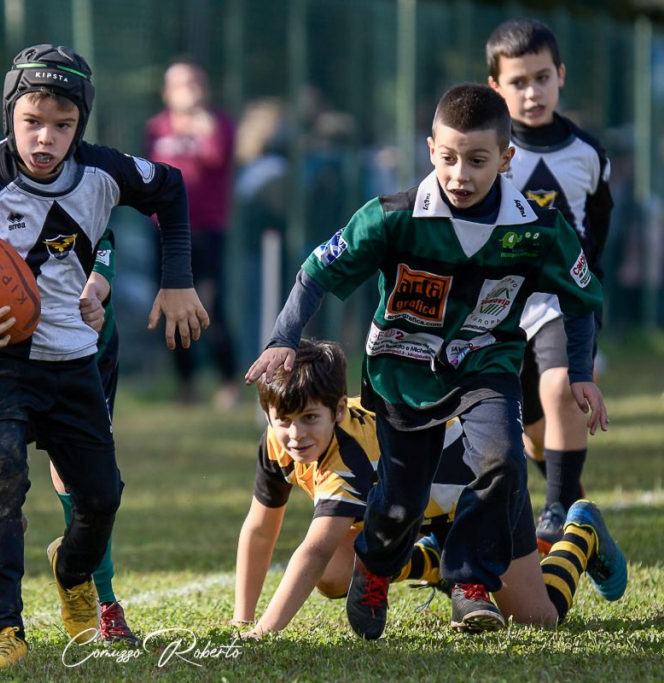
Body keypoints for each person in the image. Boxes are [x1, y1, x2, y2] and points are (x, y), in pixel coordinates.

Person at [246, 84, 607, 639]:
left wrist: (580, 372)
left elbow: (583, 298)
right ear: (431, 149)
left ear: (506, 158)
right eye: (449, 158)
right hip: (402, 371)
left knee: (504, 458)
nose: (460, 174)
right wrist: (282, 337)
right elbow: (317, 270)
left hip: (486, 364)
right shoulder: (391, 217)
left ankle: (468, 581)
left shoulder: (537, 229)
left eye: (478, 160)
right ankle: (376, 565)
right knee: (400, 498)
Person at [0, 44, 209, 669]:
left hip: (77, 351)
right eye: (32, 122)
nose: (45, 137)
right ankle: (5, 629)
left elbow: (168, 190)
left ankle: (83, 582)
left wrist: (176, 280)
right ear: (9, 116)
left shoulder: (102, 170)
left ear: (81, 124)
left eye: (63, 125)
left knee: (96, 493)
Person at [234, 339, 626, 638]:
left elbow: (314, 550)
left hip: (480, 496)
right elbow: (260, 529)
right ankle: (439, 560)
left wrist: (263, 632)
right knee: (336, 573)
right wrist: (242, 618)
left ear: (338, 411)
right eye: (283, 420)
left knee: (537, 618)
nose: (296, 434)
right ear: (267, 415)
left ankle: (582, 534)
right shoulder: (276, 444)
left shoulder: (349, 459)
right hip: (415, 510)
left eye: (309, 418)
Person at [0, 231, 137, 646]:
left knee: (80, 485)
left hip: (80, 355)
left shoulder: (85, 195)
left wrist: (93, 293)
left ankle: (104, 602)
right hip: (6, 355)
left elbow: (103, 250)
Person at [486, 18, 614, 555]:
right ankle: (571, 494)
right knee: (530, 428)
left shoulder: (588, 153)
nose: (532, 92)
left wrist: (585, 294)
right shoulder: (486, 150)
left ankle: (558, 512)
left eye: (542, 78)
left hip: (564, 300)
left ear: (560, 75)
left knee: (561, 388)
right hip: (500, 304)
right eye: (518, 82)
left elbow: (597, 231)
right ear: (495, 86)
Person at [144, 60, 238, 407]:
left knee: (210, 304)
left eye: (195, 83)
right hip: (165, 230)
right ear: (167, 93)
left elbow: (216, 157)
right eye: (181, 84)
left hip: (206, 230)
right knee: (172, 302)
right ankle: (187, 383)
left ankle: (228, 380)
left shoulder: (219, 124)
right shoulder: (157, 127)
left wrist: (199, 119)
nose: (189, 90)